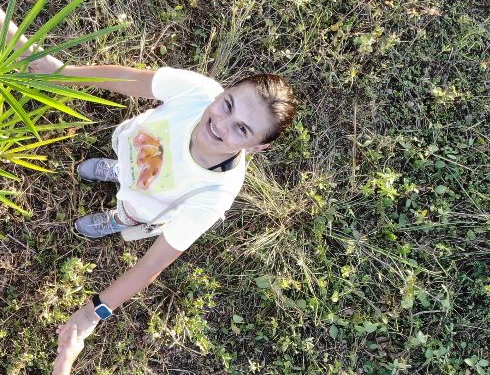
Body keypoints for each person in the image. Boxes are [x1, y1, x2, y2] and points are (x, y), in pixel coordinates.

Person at [33, 57, 298, 335]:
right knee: (127, 169)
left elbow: (152, 264)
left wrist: (92, 312)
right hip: (134, 152)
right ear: (223, 90)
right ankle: (118, 171)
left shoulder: (214, 194)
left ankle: (117, 219)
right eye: (228, 105)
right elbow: (130, 79)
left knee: (130, 211)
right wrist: (67, 72)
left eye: (242, 129)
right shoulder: (197, 91)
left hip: (146, 205)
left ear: (258, 147)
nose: (221, 124)